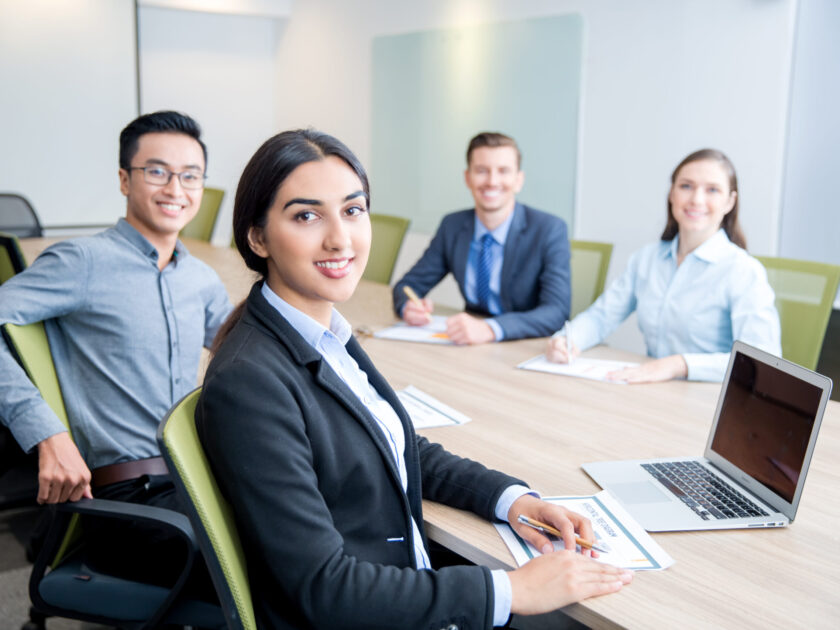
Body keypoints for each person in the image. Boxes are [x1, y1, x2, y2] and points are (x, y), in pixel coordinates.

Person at [197, 129, 632, 629]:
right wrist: (511, 589)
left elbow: (393, 441)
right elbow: (325, 588)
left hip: (405, 585)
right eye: (306, 215)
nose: (340, 238)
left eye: (353, 210)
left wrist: (514, 501)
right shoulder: (251, 382)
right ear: (257, 236)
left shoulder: (322, 331)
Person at [0, 110, 232, 583]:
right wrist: (47, 433)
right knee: (280, 569)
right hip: (130, 499)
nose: (175, 189)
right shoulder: (83, 261)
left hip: (196, 480)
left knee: (320, 533)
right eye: (157, 172)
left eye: (190, 176)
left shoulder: (201, 280)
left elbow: (248, 357)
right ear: (125, 180)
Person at [546, 148, 781, 383]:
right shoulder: (647, 259)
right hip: (654, 392)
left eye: (712, 190)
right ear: (672, 194)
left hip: (709, 400)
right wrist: (568, 340)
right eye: (686, 186)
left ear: (730, 201)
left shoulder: (742, 270)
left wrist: (681, 364)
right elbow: (601, 317)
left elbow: (761, 361)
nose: (696, 199)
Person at [392, 132, 571, 344]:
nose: (492, 181)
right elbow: (408, 285)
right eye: (481, 171)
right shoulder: (453, 226)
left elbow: (557, 312)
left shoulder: (548, 229)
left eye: (503, 171)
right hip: (468, 347)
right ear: (467, 178)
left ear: (518, 180)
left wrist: (491, 329)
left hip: (525, 345)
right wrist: (408, 307)